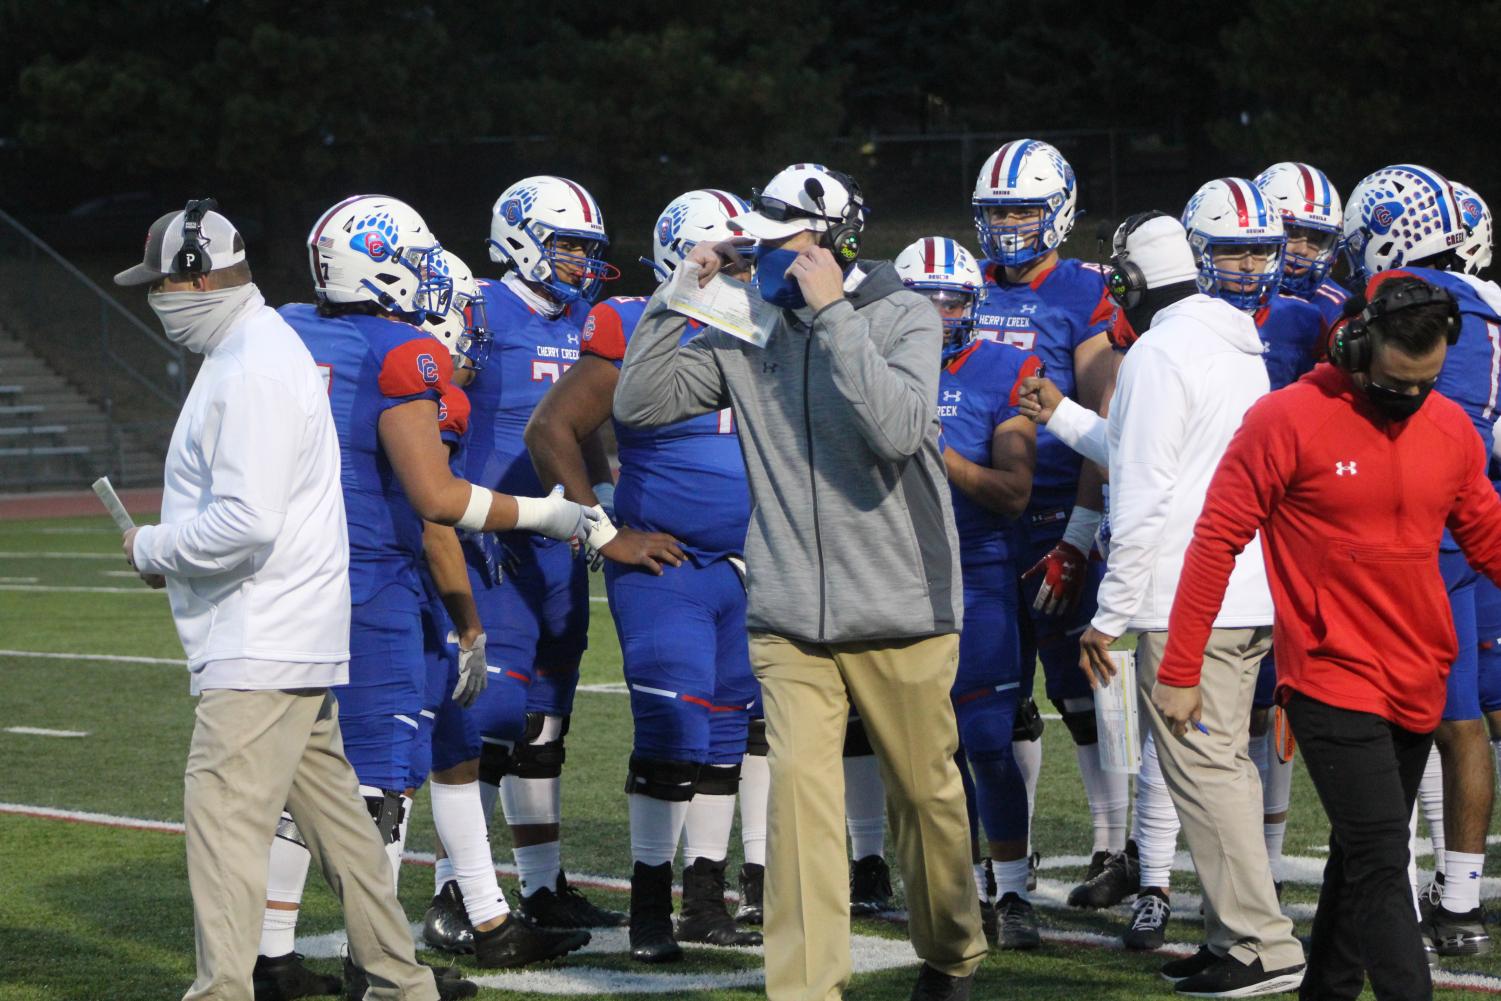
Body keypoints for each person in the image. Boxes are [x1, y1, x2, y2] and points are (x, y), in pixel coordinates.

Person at [614, 163, 987, 1001]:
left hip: (901, 606)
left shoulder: (905, 315)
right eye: (762, 243)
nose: (767, 259)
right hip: (787, 613)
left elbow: (896, 429)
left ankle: (951, 952)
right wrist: (673, 297)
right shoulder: (748, 321)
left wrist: (833, 318)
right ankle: (807, 988)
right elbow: (639, 404)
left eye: (783, 243)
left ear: (832, 241)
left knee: (925, 798)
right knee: (798, 813)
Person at [114, 201, 451, 1001]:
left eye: (162, 283)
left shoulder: (251, 365)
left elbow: (247, 521)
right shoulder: (257, 350)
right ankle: (403, 983)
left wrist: (151, 546)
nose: (157, 299)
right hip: (289, 630)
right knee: (341, 830)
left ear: (196, 275)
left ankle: (222, 991)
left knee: (225, 827)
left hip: (259, 636)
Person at [281, 193, 603, 979]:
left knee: (439, 745)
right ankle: (376, 962)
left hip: (307, 573)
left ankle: (483, 913)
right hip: (381, 581)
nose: (453, 315)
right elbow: (435, 513)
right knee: (379, 776)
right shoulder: (407, 360)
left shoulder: (296, 328)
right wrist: (472, 616)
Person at [1156, 270, 1501, 1001]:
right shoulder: (1285, 418)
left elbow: (1487, 535)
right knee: (1381, 862)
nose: (1408, 399)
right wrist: (1180, 666)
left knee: (1356, 854)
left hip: (1419, 674)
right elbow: (1215, 539)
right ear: (1353, 344)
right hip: (1327, 673)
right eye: (1394, 382)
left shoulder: (1446, 429)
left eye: (1425, 383)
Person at [523, 188, 764, 962]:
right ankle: (652, 901)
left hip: (751, 563)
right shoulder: (631, 323)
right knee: (672, 726)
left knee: (728, 727)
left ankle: (705, 891)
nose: (741, 272)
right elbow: (551, 426)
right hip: (672, 561)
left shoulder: (765, 325)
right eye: (727, 258)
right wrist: (605, 530)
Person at [463, 175, 629, 929]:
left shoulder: (588, 319)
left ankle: (539, 884)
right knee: (486, 717)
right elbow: (435, 412)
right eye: (566, 245)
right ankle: (457, 887)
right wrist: (453, 507)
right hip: (493, 538)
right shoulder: (475, 307)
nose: (579, 263)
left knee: (545, 717)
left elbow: (588, 430)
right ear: (521, 236)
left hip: (561, 540)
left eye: (587, 250)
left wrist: (607, 497)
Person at [1343, 165, 1501, 958]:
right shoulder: (1490, 305)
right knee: (1464, 718)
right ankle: (1462, 902)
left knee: (1386, 724)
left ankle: (1392, 895)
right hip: (1473, 535)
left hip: (1410, 540)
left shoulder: (1402, 307)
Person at [970, 139, 1123, 902]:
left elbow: (1107, 415)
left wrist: (1078, 533)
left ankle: (1107, 843)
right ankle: (1010, 853)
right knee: (996, 698)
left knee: (1075, 691)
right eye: (997, 211)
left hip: (1056, 514)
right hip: (976, 520)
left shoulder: (1083, 294)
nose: (1007, 225)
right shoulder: (961, 286)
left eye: (1022, 208)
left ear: (1056, 210)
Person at [896, 235, 1041, 949]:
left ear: (971, 304)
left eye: (949, 298)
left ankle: (1012, 893)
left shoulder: (1004, 370)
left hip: (977, 569)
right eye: (921, 301)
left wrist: (937, 453)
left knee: (985, 740)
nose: (936, 313)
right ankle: (951, 888)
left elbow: (1013, 492)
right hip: (892, 575)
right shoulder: (866, 371)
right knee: (922, 750)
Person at [1186, 175, 1324, 895]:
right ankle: (1152, 874)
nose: (1254, 265)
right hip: (1209, 519)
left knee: (1283, 697)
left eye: (1259, 251)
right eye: (1233, 251)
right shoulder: (1173, 319)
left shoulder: (1311, 320)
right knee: (1196, 701)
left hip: (1292, 527)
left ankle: (1264, 859)